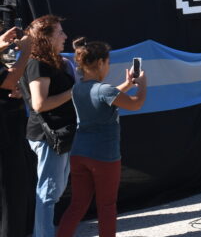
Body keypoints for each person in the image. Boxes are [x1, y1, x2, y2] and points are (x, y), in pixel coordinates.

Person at [56, 38, 147, 237]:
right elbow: (135, 104)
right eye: (108, 62)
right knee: (106, 206)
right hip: (103, 156)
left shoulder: (77, 88)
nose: (108, 66)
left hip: (79, 154)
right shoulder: (104, 90)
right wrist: (142, 86)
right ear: (99, 63)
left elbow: (105, 97)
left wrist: (126, 83)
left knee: (77, 205)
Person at [19, 15, 77, 237]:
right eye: (59, 32)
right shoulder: (37, 64)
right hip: (48, 136)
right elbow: (40, 104)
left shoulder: (53, 61)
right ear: (46, 38)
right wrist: (74, 93)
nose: (65, 36)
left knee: (55, 190)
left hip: (60, 134)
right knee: (49, 192)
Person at [0, 26, 34, 237]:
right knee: (9, 194)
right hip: (4, 139)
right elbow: (8, 80)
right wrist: (27, 51)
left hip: (12, 131)